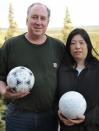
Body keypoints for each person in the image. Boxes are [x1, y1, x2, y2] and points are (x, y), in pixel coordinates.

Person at [0, 3, 65, 131]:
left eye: (42, 18)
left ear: (48, 22)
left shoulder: (58, 47)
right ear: (27, 20)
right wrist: (3, 91)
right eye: (34, 17)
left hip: (49, 116)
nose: (38, 22)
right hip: (18, 116)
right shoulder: (11, 45)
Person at [58, 28, 99, 131]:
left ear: (88, 45)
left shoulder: (97, 69)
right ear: (68, 47)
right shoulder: (62, 70)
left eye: (81, 43)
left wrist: (88, 118)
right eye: (73, 43)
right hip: (67, 128)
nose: (77, 47)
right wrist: (58, 112)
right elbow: (54, 98)